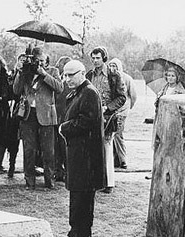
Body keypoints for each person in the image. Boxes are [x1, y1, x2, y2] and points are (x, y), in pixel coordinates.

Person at [59, 60, 105, 237]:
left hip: (86, 160)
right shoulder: (80, 92)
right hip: (80, 157)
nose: (66, 79)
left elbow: (86, 121)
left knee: (82, 206)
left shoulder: (89, 93)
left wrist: (64, 128)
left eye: (71, 75)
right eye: (65, 75)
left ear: (82, 73)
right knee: (78, 203)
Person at [13, 46, 63, 190]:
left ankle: (49, 180)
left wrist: (43, 74)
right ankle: (30, 181)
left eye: (42, 61)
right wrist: (19, 71)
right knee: (29, 149)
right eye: (37, 61)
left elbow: (59, 88)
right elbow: (16, 90)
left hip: (46, 115)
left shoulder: (53, 71)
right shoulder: (26, 71)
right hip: (28, 115)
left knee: (48, 150)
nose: (39, 63)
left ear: (47, 61)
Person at [86, 46, 126, 194]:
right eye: (93, 58)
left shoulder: (113, 75)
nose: (95, 60)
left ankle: (108, 182)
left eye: (98, 58)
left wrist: (107, 108)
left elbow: (122, 97)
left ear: (104, 58)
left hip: (108, 118)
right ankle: (96, 180)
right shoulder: (89, 75)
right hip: (92, 117)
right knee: (93, 148)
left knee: (107, 148)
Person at [108, 58, 137, 169]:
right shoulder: (109, 78)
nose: (112, 68)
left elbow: (133, 95)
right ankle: (116, 159)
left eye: (115, 66)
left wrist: (128, 107)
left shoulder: (127, 78)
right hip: (112, 110)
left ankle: (123, 160)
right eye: (110, 65)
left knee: (118, 134)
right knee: (111, 134)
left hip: (122, 111)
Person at [53, 56, 72, 182]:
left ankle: (64, 171)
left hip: (63, 116)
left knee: (63, 146)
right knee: (58, 146)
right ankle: (60, 171)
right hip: (58, 116)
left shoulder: (67, 84)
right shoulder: (59, 81)